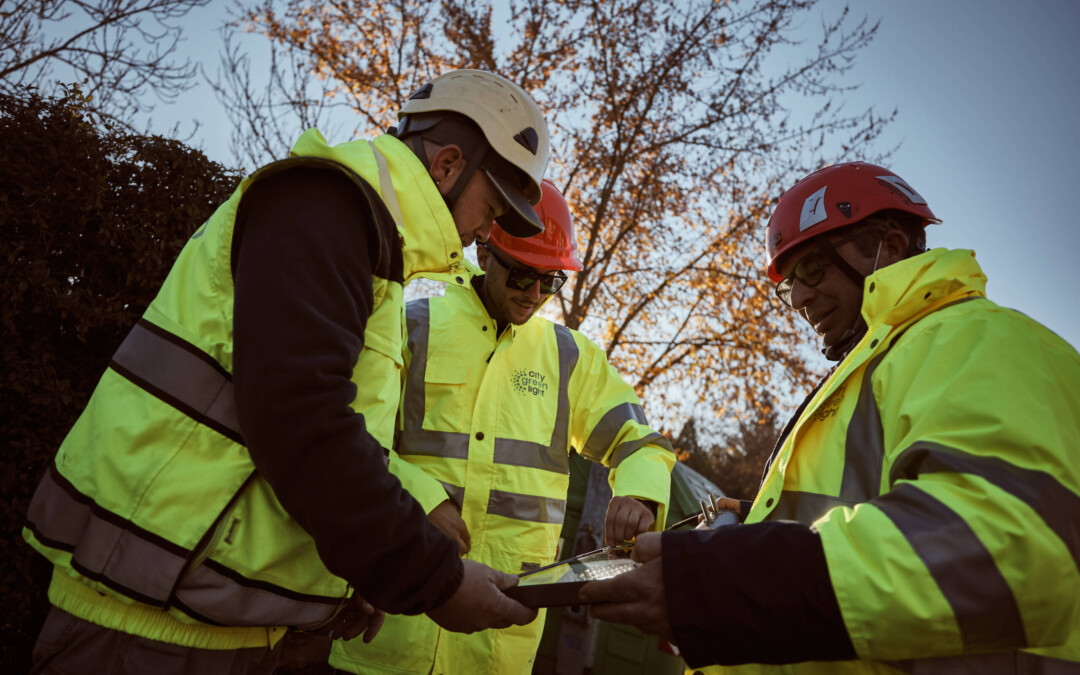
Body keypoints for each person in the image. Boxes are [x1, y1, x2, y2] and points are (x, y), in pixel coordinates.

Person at [21, 69, 551, 674]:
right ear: (448, 165)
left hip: (217, 629)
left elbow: (333, 438)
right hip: (146, 634)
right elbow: (301, 421)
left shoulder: (373, 242)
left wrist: (351, 579)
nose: (488, 231)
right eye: (495, 207)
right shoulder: (328, 205)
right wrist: (432, 579)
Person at [579, 162, 1080, 672]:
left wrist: (730, 584)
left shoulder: (976, 340)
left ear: (892, 247)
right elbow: (867, 516)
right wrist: (753, 524)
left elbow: (1005, 544)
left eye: (812, 269)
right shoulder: (885, 363)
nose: (797, 298)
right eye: (789, 283)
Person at [328, 180, 676, 674]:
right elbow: (352, 440)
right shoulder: (411, 328)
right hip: (393, 630)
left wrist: (640, 494)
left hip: (496, 650)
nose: (535, 294)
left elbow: (641, 443)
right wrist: (423, 499)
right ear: (486, 253)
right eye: (521, 276)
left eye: (550, 281)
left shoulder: (571, 359)